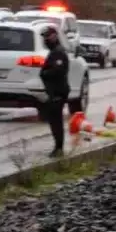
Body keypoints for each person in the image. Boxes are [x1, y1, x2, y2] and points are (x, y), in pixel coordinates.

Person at [39, 25, 71, 158]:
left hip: (58, 92)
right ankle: (57, 147)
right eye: (44, 37)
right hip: (54, 92)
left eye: (48, 37)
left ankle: (58, 148)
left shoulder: (58, 52)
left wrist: (45, 73)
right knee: (53, 120)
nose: (46, 40)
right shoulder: (54, 52)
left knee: (56, 121)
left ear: (54, 36)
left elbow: (58, 71)